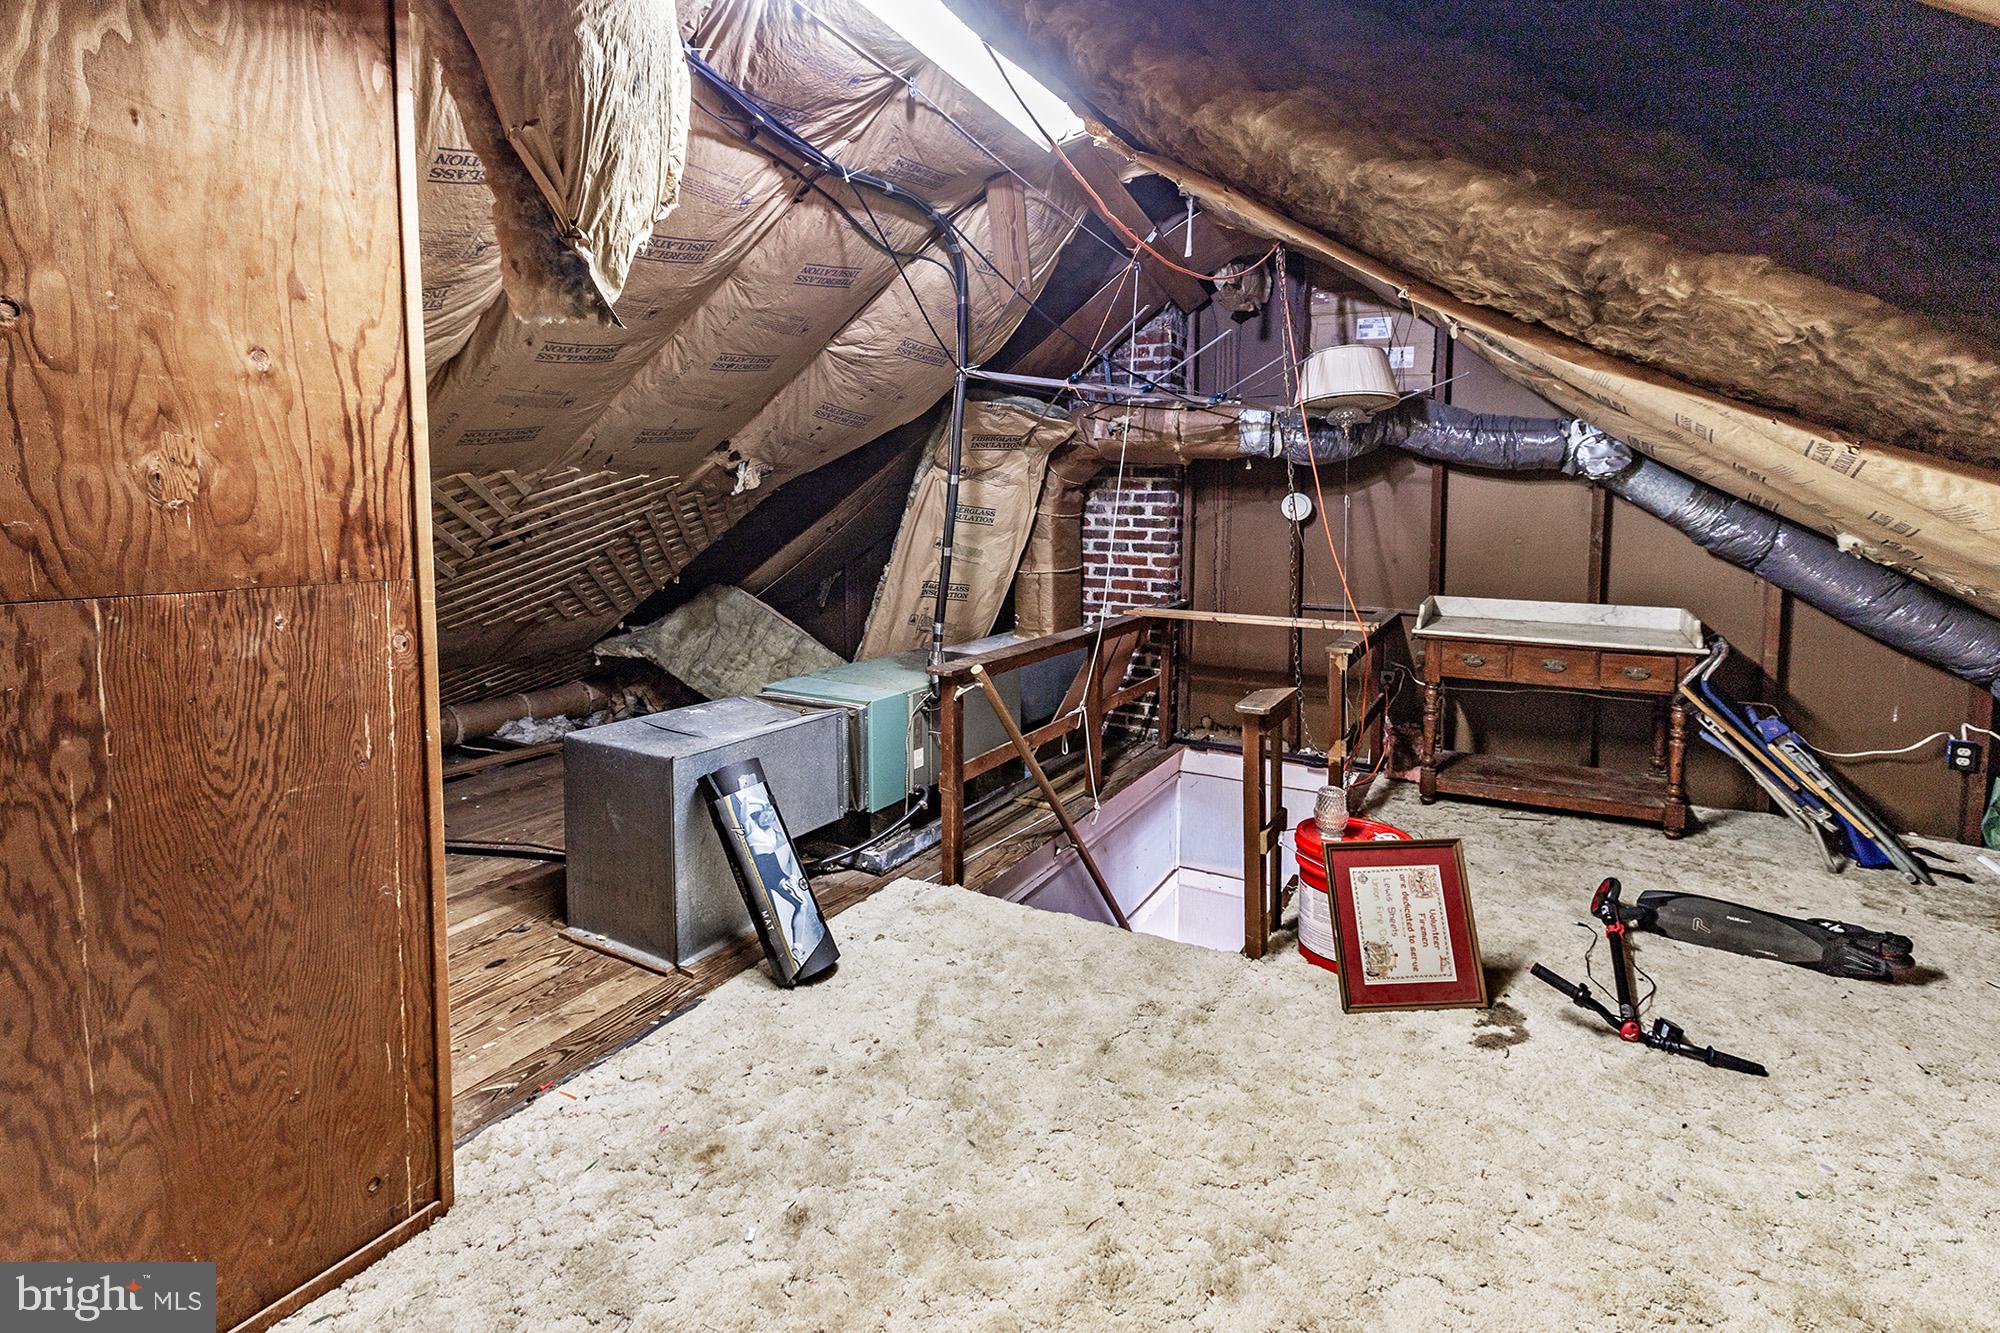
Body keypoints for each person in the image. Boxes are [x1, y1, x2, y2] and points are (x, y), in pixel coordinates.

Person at [739, 783, 824, 966]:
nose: (769, 818)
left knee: (801, 904)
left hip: (776, 874)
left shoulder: (771, 832)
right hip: (761, 874)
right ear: (761, 810)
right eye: (767, 814)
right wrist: (763, 804)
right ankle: (785, 953)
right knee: (773, 913)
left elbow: (784, 856)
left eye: (772, 816)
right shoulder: (750, 826)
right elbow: (745, 801)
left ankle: (797, 948)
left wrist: (791, 876)